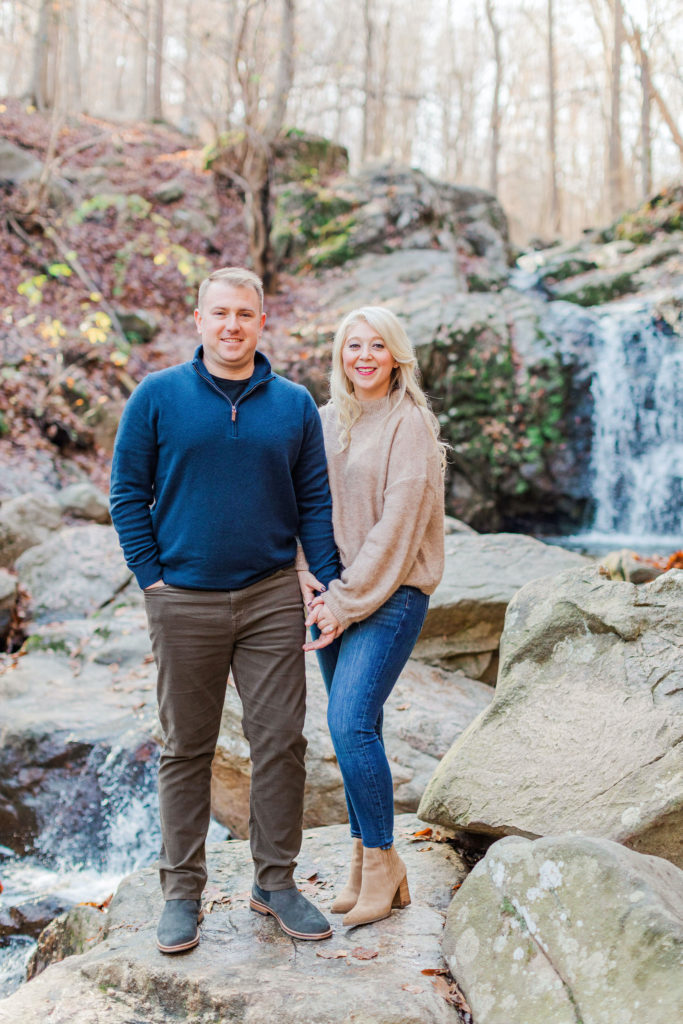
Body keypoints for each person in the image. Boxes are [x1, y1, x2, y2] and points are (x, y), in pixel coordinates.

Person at [109, 266, 339, 953]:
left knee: (282, 744)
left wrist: (326, 583)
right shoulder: (157, 397)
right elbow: (126, 494)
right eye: (220, 313)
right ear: (199, 320)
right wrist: (153, 579)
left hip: (271, 595)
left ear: (261, 322)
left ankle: (275, 883)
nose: (232, 325)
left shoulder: (293, 404)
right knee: (186, 749)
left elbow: (315, 504)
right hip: (182, 599)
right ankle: (181, 893)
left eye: (245, 313)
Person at [298, 306, 446, 929]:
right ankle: (365, 863)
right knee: (357, 727)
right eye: (352, 346)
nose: (363, 356)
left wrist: (343, 602)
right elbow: (302, 502)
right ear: (340, 356)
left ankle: (383, 860)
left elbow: (395, 529)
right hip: (333, 596)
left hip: (391, 597)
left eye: (376, 346)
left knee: (348, 720)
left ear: (395, 356)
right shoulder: (327, 421)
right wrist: (308, 576)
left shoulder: (411, 424)